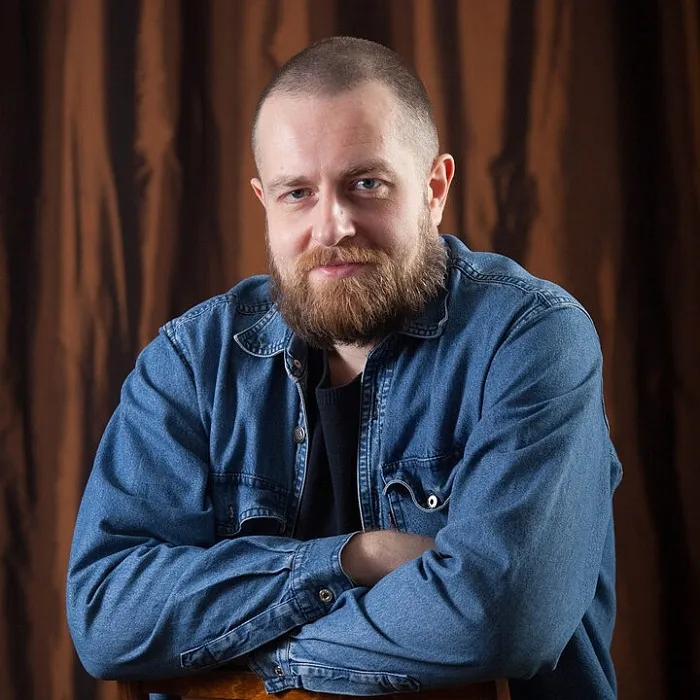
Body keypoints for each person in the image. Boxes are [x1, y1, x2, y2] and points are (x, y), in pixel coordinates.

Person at [66, 36, 622, 699]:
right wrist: (356, 559)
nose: (333, 226)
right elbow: (106, 616)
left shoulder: (530, 340)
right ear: (264, 202)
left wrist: (241, 662)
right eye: (297, 192)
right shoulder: (192, 361)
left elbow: (501, 620)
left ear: (435, 189)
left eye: (367, 184)